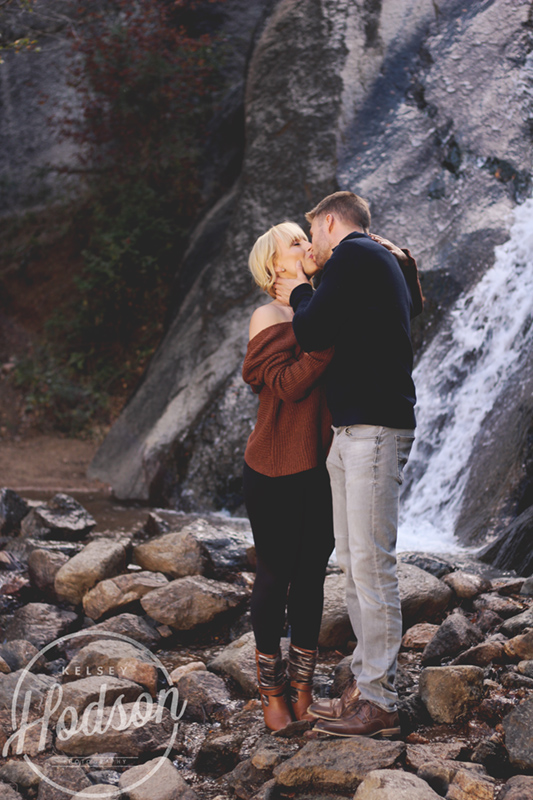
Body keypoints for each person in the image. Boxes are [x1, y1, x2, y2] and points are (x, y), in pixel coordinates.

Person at [274, 191, 423, 738]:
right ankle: (365, 686)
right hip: (356, 429)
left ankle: (379, 700)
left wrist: (298, 289)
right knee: (357, 566)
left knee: (371, 565)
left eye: (313, 232)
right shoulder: (373, 262)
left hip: (373, 431)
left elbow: (312, 329)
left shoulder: (354, 253)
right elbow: (408, 309)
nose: (311, 244)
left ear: (331, 222)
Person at [242, 221, 335, 731]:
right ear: (274, 265)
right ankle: (271, 691)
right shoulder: (269, 314)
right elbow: (285, 384)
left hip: (321, 466)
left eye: (306, 236)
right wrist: (327, 347)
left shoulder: (318, 308)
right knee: (275, 574)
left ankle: (302, 686)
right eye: (295, 242)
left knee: (313, 575)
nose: (306, 244)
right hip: (274, 466)